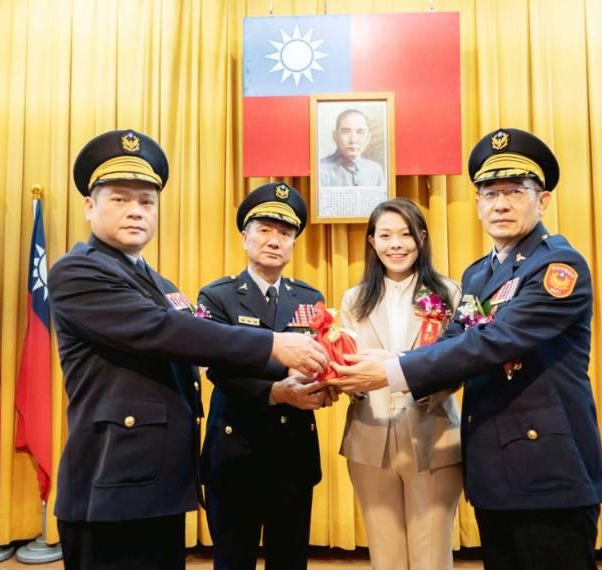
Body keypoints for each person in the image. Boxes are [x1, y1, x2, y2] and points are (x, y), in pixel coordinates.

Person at [49, 130, 327, 570]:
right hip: (113, 482)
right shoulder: (79, 270)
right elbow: (166, 332)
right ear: (89, 206)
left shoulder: (162, 285)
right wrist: (276, 345)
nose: (137, 211)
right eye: (120, 199)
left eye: (147, 202)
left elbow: (188, 339)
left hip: (160, 480)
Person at [331, 128, 602, 570]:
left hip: (545, 469)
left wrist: (394, 369)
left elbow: (494, 341)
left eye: (515, 192)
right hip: (493, 466)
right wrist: (385, 363)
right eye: (489, 192)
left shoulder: (557, 265)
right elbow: (454, 341)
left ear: (544, 201)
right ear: (477, 203)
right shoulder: (480, 275)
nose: (500, 204)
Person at [196, 182, 331, 570]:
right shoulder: (217, 296)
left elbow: (320, 358)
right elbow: (218, 367)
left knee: (289, 561)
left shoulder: (309, 298)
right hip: (237, 451)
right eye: (265, 230)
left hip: (293, 456)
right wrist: (276, 390)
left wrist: (325, 385)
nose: (275, 241)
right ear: (245, 237)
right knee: (233, 560)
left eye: (285, 233)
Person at [338, 198, 462, 570]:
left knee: (431, 555)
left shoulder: (450, 293)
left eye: (406, 234)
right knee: (385, 556)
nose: (396, 244)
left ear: (421, 238)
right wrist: (345, 379)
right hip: (369, 435)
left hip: (433, 435)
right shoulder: (353, 299)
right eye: (386, 235)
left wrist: (403, 374)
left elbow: (459, 363)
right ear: (372, 242)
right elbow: (347, 361)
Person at [319, 108, 384, 187]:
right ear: (335, 136)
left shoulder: (375, 170)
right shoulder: (321, 169)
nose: (353, 140)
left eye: (360, 132)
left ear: (368, 138)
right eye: (346, 132)